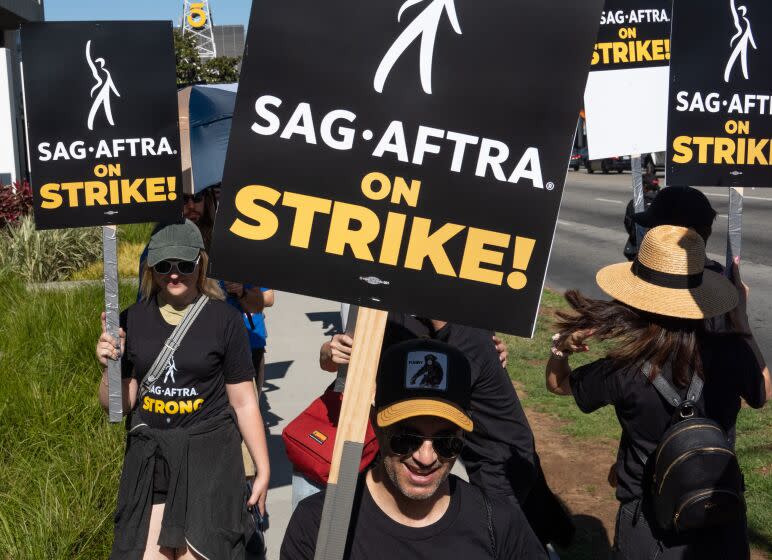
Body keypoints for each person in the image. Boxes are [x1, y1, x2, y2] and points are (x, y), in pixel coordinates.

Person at [545, 225, 770, 559]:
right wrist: (741, 323)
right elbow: (762, 391)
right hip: (720, 516)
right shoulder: (730, 352)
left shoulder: (623, 368)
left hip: (649, 528)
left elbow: (557, 384)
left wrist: (560, 349)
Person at [317, 314, 575, 549]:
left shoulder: (467, 337)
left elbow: (438, 384)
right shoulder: (391, 318)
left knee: (498, 534)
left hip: (498, 454)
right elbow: (338, 357)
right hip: (466, 445)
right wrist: (331, 351)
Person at [96, 220, 271, 559]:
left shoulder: (225, 320)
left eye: (184, 265)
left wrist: (262, 467)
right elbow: (119, 404)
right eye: (163, 266)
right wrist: (109, 370)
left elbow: (244, 401)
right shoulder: (130, 320)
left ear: (201, 263)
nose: (174, 275)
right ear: (151, 267)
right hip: (151, 462)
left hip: (210, 461)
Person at [282, 339, 547, 559]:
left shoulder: (498, 524)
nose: (426, 457)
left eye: (446, 442)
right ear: (376, 424)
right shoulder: (320, 525)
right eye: (406, 439)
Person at [623, 175, 660, 261]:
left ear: (643, 186)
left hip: (637, 251)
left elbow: (628, 225)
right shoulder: (666, 202)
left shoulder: (635, 203)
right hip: (660, 252)